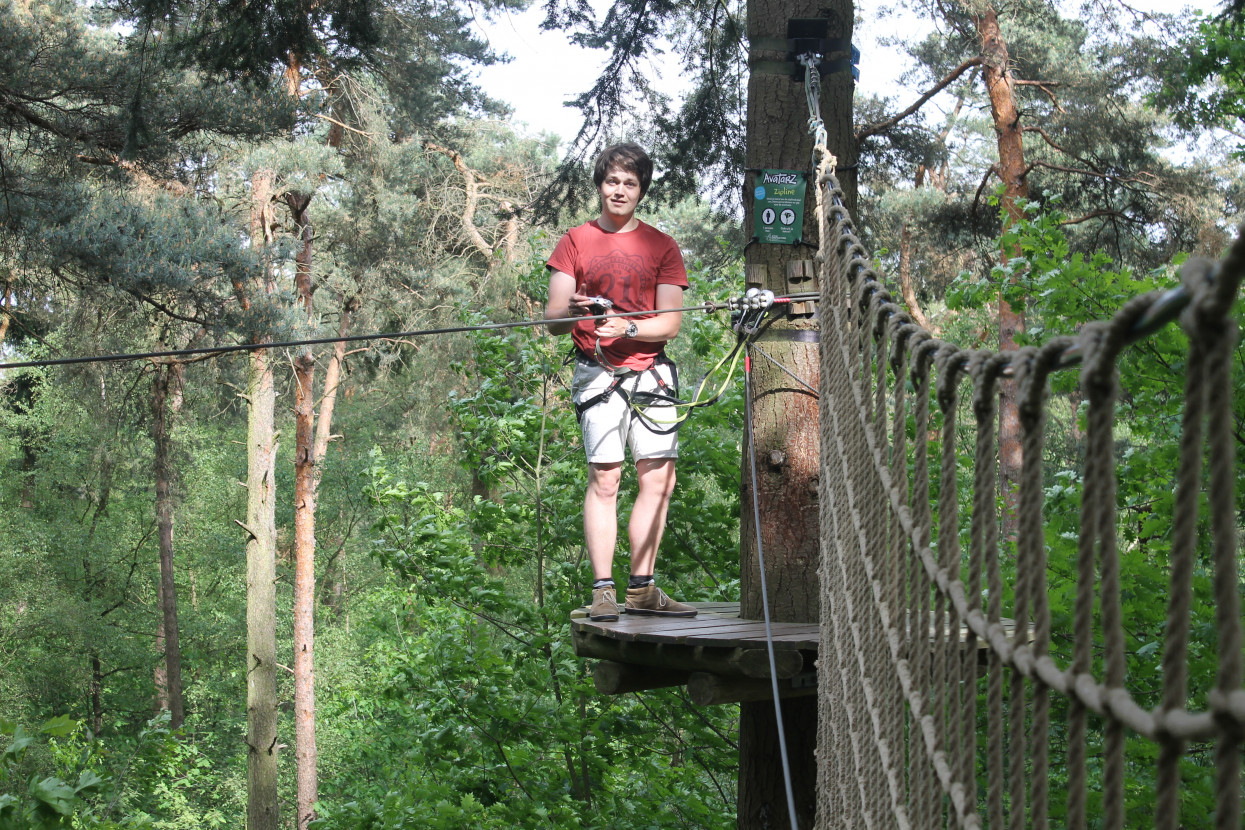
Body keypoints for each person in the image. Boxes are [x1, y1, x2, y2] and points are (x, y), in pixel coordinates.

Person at [544, 143, 698, 623]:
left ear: (641, 191)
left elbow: (670, 322)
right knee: (605, 478)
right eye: (613, 181)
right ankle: (603, 589)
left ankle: (643, 587)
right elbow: (552, 321)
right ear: (599, 185)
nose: (620, 190)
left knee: (658, 478)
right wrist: (573, 314)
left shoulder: (661, 246)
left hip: (651, 371)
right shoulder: (574, 241)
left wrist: (628, 327)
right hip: (597, 373)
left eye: (630, 183)